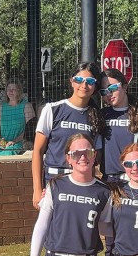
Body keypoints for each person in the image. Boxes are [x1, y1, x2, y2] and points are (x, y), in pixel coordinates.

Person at [32, 62, 105, 209]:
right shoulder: (52, 109)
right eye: (79, 80)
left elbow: (96, 156)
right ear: (71, 81)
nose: (84, 85)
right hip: (54, 181)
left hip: (83, 183)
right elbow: (38, 152)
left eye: (90, 81)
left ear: (95, 87)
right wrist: (37, 189)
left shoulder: (97, 116)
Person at [99, 68, 138, 183]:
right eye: (104, 91)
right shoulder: (101, 115)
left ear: (125, 87)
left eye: (112, 88)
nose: (109, 93)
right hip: (111, 182)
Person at [0, 79, 36, 156]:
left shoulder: (27, 106)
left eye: (13, 89)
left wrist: (14, 141)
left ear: (19, 91)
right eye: (8, 89)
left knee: (6, 154)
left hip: (19, 143)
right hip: (2, 142)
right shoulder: (1, 107)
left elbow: (30, 130)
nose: (10, 91)